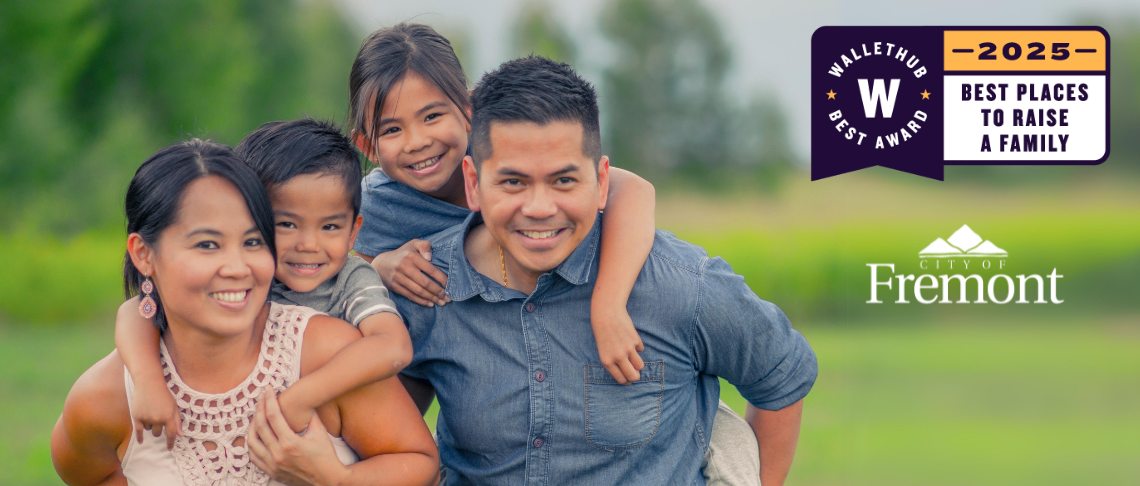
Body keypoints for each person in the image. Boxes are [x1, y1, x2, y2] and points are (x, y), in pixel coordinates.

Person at [391, 56, 818, 485]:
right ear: (473, 183)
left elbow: (781, 375)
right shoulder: (424, 289)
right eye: (513, 182)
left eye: (563, 181)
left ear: (601, 182)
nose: (539, 208)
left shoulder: (680, 285)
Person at [50, 139, 438, 485]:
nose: (238, 267)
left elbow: (420, 464)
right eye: (207, 245)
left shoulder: (330, 352)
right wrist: (147, 380)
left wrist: (335, 479)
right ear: (143, 254)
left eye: (253, 242)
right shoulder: (108, 395)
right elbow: (86, 473)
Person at [347, 23, 655, 386]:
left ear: (469, 111)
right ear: (367, 146)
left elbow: (632, 189)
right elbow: (345, 283)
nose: (417, 142)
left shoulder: (500, 155)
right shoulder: (375, 205)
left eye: (431, 117)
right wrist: (378, 268)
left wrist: (608, 305)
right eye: (392, 130)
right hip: (464, 348)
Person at [114, 119, 415, 442]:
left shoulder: (351, 280)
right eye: (286, 224)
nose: (308, 245)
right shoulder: (255, 276)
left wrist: (303, 396)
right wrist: (148, 381)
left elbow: (393, 346)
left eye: (329, 227)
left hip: (337, 434)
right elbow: (139, 309)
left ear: (354, 231)